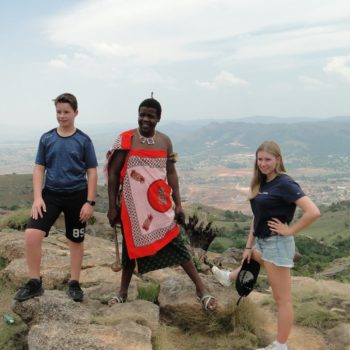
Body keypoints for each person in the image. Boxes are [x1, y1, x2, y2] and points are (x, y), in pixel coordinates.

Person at [106, 97, 217, 311]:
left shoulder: (165, 141)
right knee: (130, 248)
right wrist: (112, 206)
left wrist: (178, 204)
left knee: (177, 243)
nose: (145, 119)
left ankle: (201, 289)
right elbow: (112, 173)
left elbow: (171, 172)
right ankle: (122, 292)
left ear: (158, 118)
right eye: (142, 114)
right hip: (133, 206)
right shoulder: (125, 139)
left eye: (150, 116)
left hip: (160, 205)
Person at [212, 141, 320, 350]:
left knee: (282, 301)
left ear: (278, 160)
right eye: (260, 159)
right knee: (253, 256)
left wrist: (290, 230)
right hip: (264, 242)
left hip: (278, 244)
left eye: (268, 159)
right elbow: (257, 217)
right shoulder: (263, 183)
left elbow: (313, 212)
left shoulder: (285, 183)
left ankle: (280, 345)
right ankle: (230, 277)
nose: (263, 164)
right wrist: (247, 246)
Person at [14, 93, 98, 303]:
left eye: (66, 112)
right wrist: (37, 198)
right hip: (50, 195)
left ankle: (74, 282)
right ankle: (34, 282)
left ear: (76, 113)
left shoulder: (83, 140)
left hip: (77, 196)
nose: (62, 116)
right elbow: (38, 169)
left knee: (76, 240)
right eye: (59, 112)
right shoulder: (47, 138)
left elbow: (92, 171)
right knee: (32, 234)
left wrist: (89, 202)